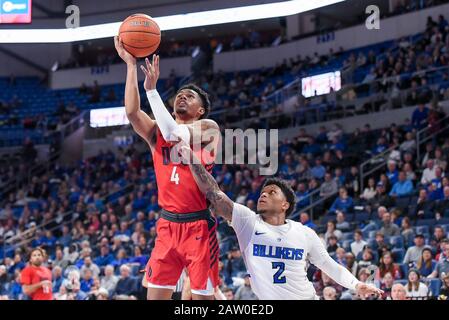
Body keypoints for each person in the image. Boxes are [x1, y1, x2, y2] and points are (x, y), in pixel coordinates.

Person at [179, 144, 382, 299]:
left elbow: (329, 265)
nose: (263, 195)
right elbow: (214, 194)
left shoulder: (304, 233)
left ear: (285, 205)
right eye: (263, 192)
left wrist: (356, 285)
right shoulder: (248, 222)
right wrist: (192, 160)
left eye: (272, 192)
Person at [115, 36, 220, 300]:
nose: (182, 97)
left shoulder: (208, 129)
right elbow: (131, 112)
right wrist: (130, 65)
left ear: (201, 110)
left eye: (190, 96)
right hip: (167, 225)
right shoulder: (155, 133)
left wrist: (152, 91)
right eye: (180, 95)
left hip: (198, 226)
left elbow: (175, 131)